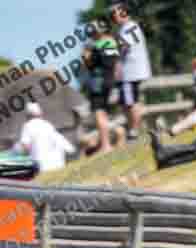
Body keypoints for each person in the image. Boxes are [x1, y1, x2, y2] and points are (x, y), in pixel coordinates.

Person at [109, 1, 152, 140]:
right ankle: (133, 130)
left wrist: (115, 63)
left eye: (114, 13)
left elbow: (123, 47)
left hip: (130, 73)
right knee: (128, 102)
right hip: (130, 72)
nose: (113, 16)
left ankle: (133, 132)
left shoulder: (130, 27)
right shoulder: (126, 28)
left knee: (130, 102)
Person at [82, 20, 121, 154]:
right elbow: (115, 65)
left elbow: (90, 64)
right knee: (107, 112)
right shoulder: (112, 42)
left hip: (98, 82)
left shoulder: (94, 46)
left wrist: (86, 56)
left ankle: (106, 145)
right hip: (110, 81)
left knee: (99, 112)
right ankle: (119, 134)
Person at [14, 103, 75, 174]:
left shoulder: (28, 126)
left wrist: (19, 153)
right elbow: (69, 148)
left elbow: (25, 146)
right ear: (40, 114)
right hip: (59, 166)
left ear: (28, 116)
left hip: (43, 168)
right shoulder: (48, 125)